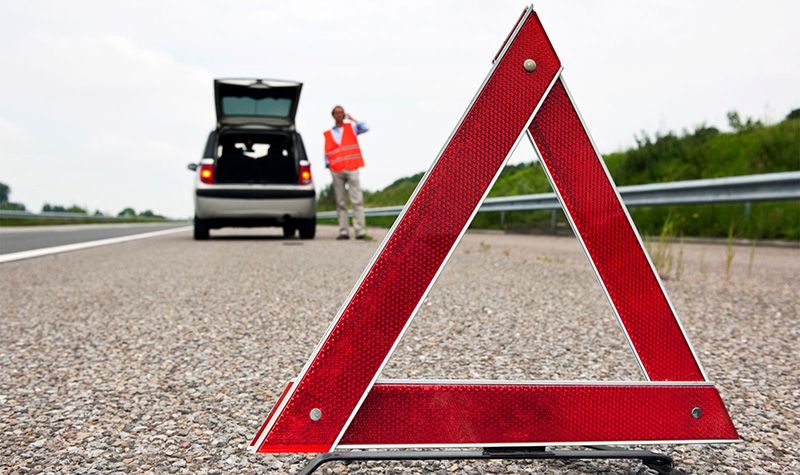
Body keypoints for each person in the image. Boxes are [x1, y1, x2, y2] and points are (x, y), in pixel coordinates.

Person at [324, 105, 369, 240]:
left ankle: (359, 230)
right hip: (336, 170)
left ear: (344, 114)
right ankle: (343, 231)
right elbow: (326, 152)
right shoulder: (328, 133)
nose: (339, 115)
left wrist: (352, 118)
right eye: (336, 113)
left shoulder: (352, 128)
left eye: (341, 113)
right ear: (333, 115)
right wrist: (328, 166)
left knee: (357, 200)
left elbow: (365, 127)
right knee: (340, 202)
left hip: (352, 168)